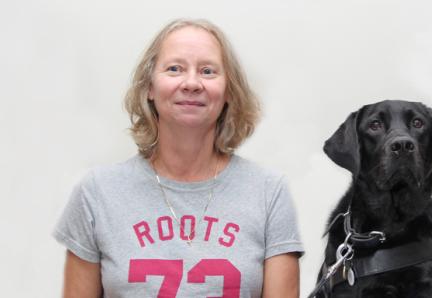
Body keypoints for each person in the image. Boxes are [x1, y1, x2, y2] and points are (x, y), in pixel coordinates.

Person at [53, 19, 304, 297]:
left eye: (208, 71)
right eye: (175, 69)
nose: (192, 83)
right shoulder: (97, 192)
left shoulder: (269, 193)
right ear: (149, 87)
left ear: (229, 92)